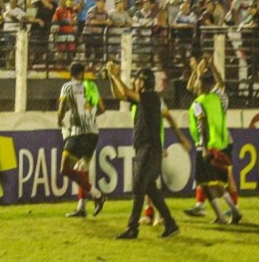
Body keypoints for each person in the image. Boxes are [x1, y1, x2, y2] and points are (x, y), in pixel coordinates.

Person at [107, 64, 181, 239]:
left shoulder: (150, 97)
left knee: (139, 185)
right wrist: (111, 76)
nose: (135, 81)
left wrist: (116, 75)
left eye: (137, 79)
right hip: (147, 148)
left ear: (144, 82)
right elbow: (118, 94)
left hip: (149, 149)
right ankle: (171, 224)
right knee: (149, 188)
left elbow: (125, 92)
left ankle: (132, 228)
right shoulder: (144, 98)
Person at [188, 72, 242, 224]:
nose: (195, 86)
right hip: (220, 143)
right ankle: (224, 214)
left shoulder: (198, 103)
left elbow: (202, 124)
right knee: (210, 182)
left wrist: (204, 147)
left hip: (205, 146)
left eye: (198, 83)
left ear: (205, 85)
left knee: (208, 182)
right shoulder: (218, 99)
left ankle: (231, 211)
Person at [57, 62, 106, 218]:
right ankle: (82, 207)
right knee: (81, 169)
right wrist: (89, 116)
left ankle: (98, 195)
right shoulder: (91, 87)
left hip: (79, 134)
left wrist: (60, 122)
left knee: (65, 168)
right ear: (82, 73)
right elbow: (103, 109)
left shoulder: (67, 87)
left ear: (70, 73)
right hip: (93, 133)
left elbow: (61, 108)